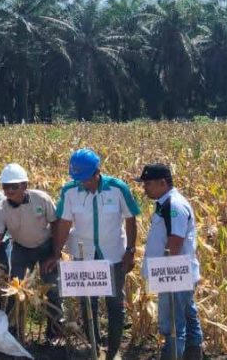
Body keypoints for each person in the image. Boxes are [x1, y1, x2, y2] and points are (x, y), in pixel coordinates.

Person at [53, 148, 140, 360]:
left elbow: (131, 219)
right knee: (88, 303)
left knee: (115, 303)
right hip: (84, 255)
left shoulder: (117, 188)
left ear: (97, 172)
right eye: (79, 179)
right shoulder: (69, 191)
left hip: (114, 254)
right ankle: (95, 348)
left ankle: (114, 350)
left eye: (86, 179)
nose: (83, 183)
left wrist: (130, 250)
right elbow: (64, 224)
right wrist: (55, 253)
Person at [0, 163, 63, 336]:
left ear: (25, 185)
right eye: (6, 187)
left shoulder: (41, 199)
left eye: (14, 186)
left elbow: (56, 224)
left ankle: (55, 331)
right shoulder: (1, 209)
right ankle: (15, 329)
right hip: (21, 249)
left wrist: (56, 254)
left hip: (46, 247)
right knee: (16, 290)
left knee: (53, 288)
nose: (9, 191)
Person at [136, 163, 202, 360]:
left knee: (173, 324)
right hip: (177, 273)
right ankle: (193, 354)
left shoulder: (174, 206)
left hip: (174, 274)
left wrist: (165, 274)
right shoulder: (166, 204)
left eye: (148, 183)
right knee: (188, 315)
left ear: (162, 183)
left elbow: (175, 241)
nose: (144, 188)